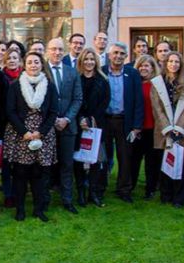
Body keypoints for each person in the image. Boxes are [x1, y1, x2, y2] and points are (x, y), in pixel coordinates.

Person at [4, 51, 59, 222]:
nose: (33, 65)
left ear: (41, 64)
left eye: (36, 62)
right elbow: (10, 111)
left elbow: (53, 111)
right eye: (30, 62)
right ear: (24, 65)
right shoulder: (15, 85)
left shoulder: (49, 85)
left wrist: (40, 132)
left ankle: (38, 209)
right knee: (20, 174)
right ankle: (20, 210)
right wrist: (25, 132)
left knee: (40, 175)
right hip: (20, 134)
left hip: (43, 135)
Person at [150, 52, 184, 208]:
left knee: (182, 165)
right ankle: (166, 195)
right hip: (164, 130)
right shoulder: (157, 83)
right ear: (166, 63)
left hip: (183, 131)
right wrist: (168, 128)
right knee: (165, 163)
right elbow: (157, 108)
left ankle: (179, 198)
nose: (173, 64)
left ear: (181, 64)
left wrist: (179, 128)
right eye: (170, 61)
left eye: (177, 61)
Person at [101, 42, 144, 203]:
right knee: (103, 156)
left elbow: (138, 101)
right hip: (105, 120)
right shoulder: (102, 71)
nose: (118, 56)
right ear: (109, 55)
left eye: (121, 54)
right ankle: (100, 187)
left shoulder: (132, 74)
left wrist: (137, 126)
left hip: (125, 121)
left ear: (126, 56)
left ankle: (124, 189)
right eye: (115, 53)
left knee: (125, 157)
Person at [45, 38, 83, 214]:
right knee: (46, 165)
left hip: (68, 127)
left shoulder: (72, 72)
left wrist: (66, 119)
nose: (57, 52)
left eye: (60, 49)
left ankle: (67, 200)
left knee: (67, 164)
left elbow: (77, 99)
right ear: (48, 51)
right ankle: (44, 199)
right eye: (53, 49)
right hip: (47, 126)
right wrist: (52, 120)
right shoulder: (41, 71)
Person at [74, 48, 110, 207]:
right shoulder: (76, 79)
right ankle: (81, 192)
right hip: (78, 125)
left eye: (92, 59)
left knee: (95, 160)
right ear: (81, 61)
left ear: (96, 61)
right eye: (86, 59)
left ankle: (93, 193)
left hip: (96, 125)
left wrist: (90, 119)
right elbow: (74, 101)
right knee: (79, 160)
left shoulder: (103, 81)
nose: (89, 62)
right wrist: (81, 118)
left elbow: (104, 103)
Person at [0, 46, 23, 208]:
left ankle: (19, 192)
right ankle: (8, 194)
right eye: (9, 58)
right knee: (5, 161)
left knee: (20, 161)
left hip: (21, 126)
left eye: (15, 58)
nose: (12, 61)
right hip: (4, 125)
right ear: (5, 60)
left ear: (20, 61)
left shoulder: (25, 76)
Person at [130, 55, 160, 200]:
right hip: (137, 128)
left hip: (152, 128)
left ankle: (150, 189)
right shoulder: (134, 83)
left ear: (153, 68)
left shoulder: (157, 85)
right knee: (134, 160)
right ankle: (130, 186)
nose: (143, 68)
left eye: (147, 65)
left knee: (151, 162)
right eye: (141, 65)